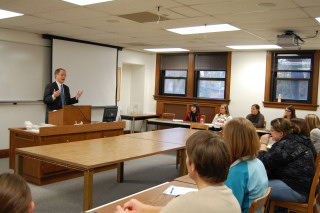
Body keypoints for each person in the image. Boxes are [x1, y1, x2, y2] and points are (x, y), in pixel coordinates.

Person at [115, 131, 241, 213]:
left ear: (194, 167)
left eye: (187, 156)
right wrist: (145, 209)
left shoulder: (187, 202)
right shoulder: (231, 201)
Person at [258, 118, 316, 210]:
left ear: (281, 133)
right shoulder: (296, 140)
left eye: (272, 130)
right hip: (304, 186)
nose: (270, 132)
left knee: (256, 188)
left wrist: (263, 143)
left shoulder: (287, 144)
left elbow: (263, 164)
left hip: (299, 190)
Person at [223, 118, 268, 213]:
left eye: (224, 136)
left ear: (231, 142)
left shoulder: (237, 172)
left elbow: (229, 208)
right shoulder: (258, 163)